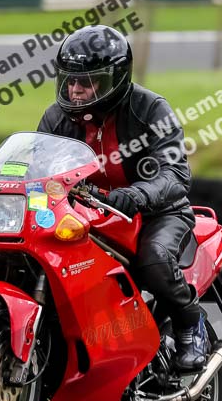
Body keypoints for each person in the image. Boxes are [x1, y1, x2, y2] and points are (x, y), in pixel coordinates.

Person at [37, 24, 209, 372]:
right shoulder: (56, 117)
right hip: (87, 214)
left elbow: (176, 174)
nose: (75, 90)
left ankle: (191, 324)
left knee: (155, 260)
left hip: (157, 213)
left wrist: (136, 195)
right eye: (70, 81)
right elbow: (34, 166)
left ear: (115, 78)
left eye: (86, 82)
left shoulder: (150, 109)